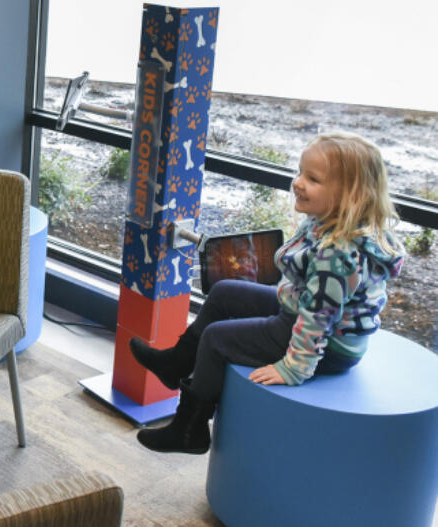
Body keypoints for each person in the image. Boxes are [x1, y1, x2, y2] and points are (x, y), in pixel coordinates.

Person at [131, 132, 404, 455]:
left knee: (217, 339)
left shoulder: (338, 255)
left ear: (350, 196)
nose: (298, 183)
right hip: (300, 310)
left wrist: (293, 368)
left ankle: (189, 429)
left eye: (313, 179)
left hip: (328, 343)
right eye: (300, 172)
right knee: (223, 293)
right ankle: (175, 364)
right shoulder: (325, 222)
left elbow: (318, 319)